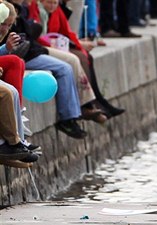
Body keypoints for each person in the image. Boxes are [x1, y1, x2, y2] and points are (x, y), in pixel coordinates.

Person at [0, 1, 94, 139]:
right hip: (31, 52)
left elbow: (64, 31)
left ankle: (85, 107)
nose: (6, 29)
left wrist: (78, 45)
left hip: (34, 49)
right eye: (4, 24)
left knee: (79, 59)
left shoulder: (23, 9)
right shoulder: (26, 8)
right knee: (64, 67)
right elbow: (35, 35)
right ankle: (69, 117)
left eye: (9, 25)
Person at [29, 0, 124, 119]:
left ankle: (97, 99)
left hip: (56, 44)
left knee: (86, 56)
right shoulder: (36, 9)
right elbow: (38, 36)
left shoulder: (58, 10)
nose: (52, 5)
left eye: (55, 3)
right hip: (43, 46)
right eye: (49, 2)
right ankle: (87, 104)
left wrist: (79, 45)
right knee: (77, 59)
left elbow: (67, 32)